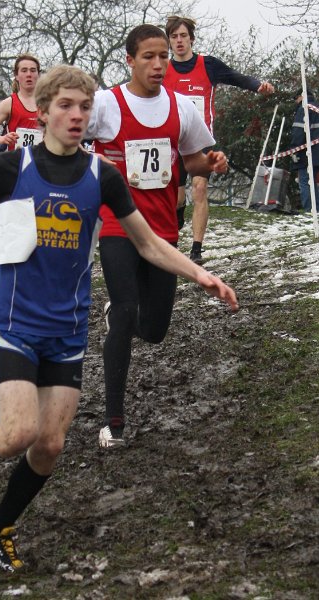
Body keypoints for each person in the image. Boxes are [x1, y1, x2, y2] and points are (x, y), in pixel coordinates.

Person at [0, 64, 238, 573]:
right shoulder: (12, 166)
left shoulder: (102, 176)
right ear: (43, 112)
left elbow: (147, 243)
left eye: (84, 107)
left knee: (50, 445)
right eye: (66, 106)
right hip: (16, 320)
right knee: (17, 434)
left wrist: (200, 275)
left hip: (68, 327)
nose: (77, 115)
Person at [84, 24, 233, 448]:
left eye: (164, 56)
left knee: (155, 330)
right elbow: (66, 135)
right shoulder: (105, 104)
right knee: (126, 309)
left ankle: (121, 317)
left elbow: (192, 160)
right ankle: (114, 423)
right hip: (117, 224)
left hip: (163, 228)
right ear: (130, 60)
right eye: (148, 56)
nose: (158, 64)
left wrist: (212, 163)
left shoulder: (180, 106)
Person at [163, 15, 275, 264]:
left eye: (183, 36)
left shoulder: (208, 65)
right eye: (174, 36)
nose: (179, 41)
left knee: (200, 187)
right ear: (169, 41)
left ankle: (196, 250)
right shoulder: (163, 69)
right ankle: (177, 220)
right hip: (172, 143)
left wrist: (258, 85)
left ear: (191, 39)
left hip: (201, 140)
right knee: (177, 199)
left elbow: (235, 77)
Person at [0, 53, 43, 153]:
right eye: (24, 70)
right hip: (15, 160)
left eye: (33, 70)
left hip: (41, 160)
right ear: (16, 75)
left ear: (38, 74)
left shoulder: (48, 103)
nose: (29, 74)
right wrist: (2, 139)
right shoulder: (8, 104)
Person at [290, 87, 319, 212]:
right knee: (315, 182)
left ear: (301, 96)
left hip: (307, 153)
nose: (296, 101)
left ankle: (310, 211)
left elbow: (298, 132)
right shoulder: (317, 108)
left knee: (305, 181)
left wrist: (294, 150)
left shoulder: (304, 109)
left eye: (296, 98)